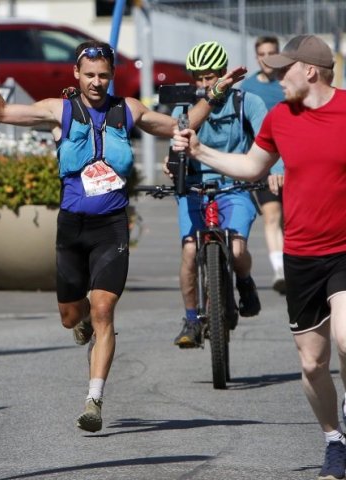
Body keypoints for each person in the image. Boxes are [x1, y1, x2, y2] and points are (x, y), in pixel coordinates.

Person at [0, 28, 245, 432]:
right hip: (72, 228)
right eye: (90, 74)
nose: (96, 83)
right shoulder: (58, 110)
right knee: (71, 316)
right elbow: (0, 112)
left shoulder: (128, 110)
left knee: (104, 309)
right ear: (77, 73)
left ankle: (94, 399)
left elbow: (180, 126)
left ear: (112, 76)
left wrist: (213, 97)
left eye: (104, 76)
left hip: (111, 226)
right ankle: (82, 321)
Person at [173, 34, 346, 480]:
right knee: (311, 363)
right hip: (302, 253)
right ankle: (334, 440)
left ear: (310, 70)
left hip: (344, 248)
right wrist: (201, 151)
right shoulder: (280, 118)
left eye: (283, 67)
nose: (273, 73)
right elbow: (253, 166)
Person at [165, 41, 268, 349]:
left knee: (237, 251)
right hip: (195, 186)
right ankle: (191, 319)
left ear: (224, 74)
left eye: (210, 77)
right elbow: (174, 142)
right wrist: (169, 164)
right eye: (198, 77)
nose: (204, 84)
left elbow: (269, 141)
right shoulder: (184, 108)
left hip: (235, 185)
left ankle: (245, 284)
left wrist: (277, 171)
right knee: (189, 251)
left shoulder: (247, 102)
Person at [241, 36, 286, 294]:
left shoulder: (289, 84)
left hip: (293, 162)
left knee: (291, 222)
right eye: (262, 53)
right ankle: (279, 270)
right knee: (272, 215)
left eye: (272, 52)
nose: (267, 58)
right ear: (257, 57)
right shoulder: (247, 88)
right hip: (263, 163)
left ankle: (293, 266)